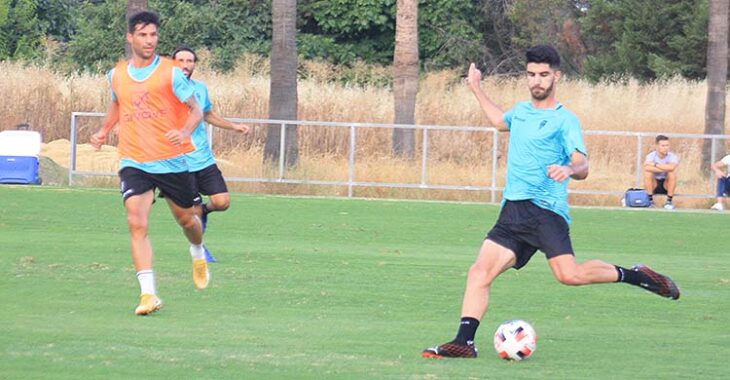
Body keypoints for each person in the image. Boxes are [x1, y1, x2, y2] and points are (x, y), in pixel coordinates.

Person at [422, 45, 680, 359]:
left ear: (556, 76)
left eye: (544, 75)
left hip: (546, 212)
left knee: (569, 275)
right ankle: (464, 342)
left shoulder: (565, 120)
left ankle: (637, 275)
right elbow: (498, 121)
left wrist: (569, 168)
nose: (537, 81)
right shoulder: (520, 112)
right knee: (479, 273)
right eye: (531, 75)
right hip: (514, 210)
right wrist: (476, 88)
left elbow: (582, 164)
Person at [90, 11, 211, 316]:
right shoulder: (116, 74)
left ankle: (197, 250)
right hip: (134, 159)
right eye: (142, 35)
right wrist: (104, 130)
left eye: (153, 35)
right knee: (136, 222)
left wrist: (183, 131)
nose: (149, 40)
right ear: (130, 38)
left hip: (171, 160)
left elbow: (195, 110)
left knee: (187, 222)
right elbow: (119, 102)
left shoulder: (171, 72)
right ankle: (148, 295)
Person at [170, 46, 251, 262]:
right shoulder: (164, 91)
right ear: (172, 63)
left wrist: (233, 126)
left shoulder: (200, 88)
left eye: (190, 61)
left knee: (222, 202)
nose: (185, 65)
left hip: (203, 159)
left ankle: (204, 211)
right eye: (181, 60)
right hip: (180, 162)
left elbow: (207, 115)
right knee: (192, 212)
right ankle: (200, 250)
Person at [643, 135, 679, 209]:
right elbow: (646, 168)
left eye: (667, 145)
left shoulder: (672, 156)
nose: (665, 148)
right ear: (657, 146)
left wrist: (654, 164)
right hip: (654, 183)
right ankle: (650, 201)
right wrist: (666, 168)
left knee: (672, 173)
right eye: (663, 146)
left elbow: (672, 167)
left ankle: (669, 202)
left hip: (666, 184)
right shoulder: (651, 156)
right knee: (648, 173)